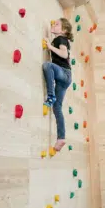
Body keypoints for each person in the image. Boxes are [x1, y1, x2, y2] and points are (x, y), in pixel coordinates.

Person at [43, 18, 73, 151]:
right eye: (54, 24)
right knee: (57, 108)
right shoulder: (61, 40)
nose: (54, 25)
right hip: (65, 77)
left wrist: (49, 47)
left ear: (63, 30)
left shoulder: (61, 39)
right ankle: (61, 138)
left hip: (64, 74)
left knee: (47, 65)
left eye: (57, 24)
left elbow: (63, 53)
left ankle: (50, 95)